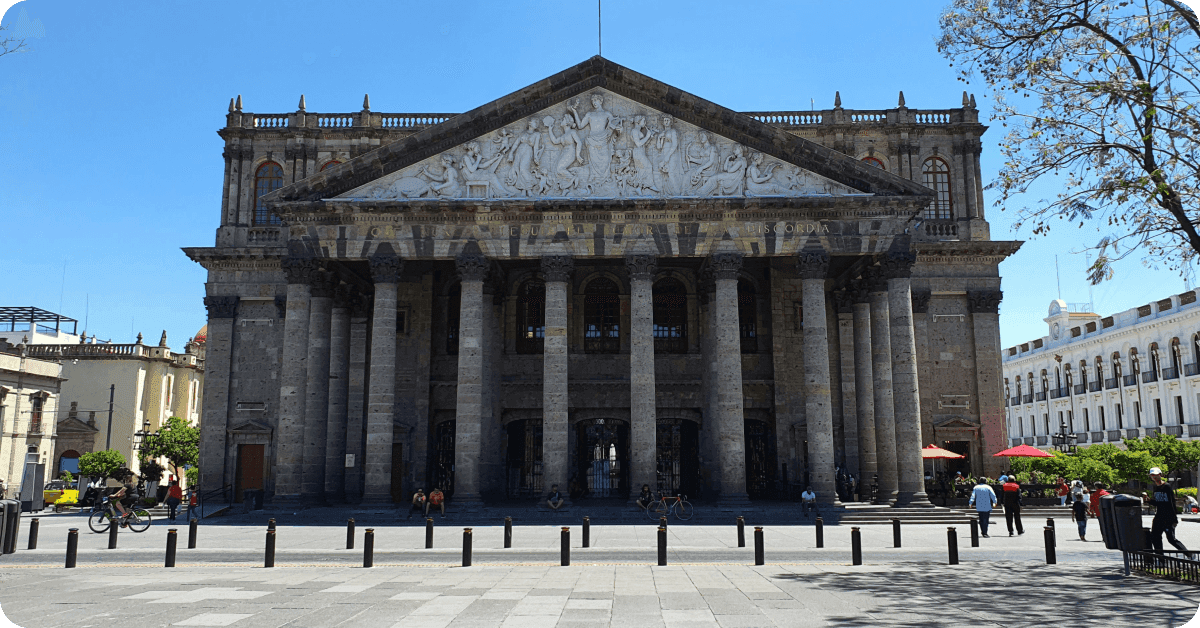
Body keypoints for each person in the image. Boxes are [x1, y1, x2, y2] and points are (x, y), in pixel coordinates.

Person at [1149, 468, 1191, 557]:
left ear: (1160, 475)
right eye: (1152, 475)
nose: (1154, 477)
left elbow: (1171, 502)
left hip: (1168, 517)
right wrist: (1149, 501)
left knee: (1171, 539)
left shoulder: (1167, 487)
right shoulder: (1155, 488)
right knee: (1155, 537)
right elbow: (1158, 503)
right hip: (1159, 517)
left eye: (1156, 475)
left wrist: (1174, 519)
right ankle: (1160, 559)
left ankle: (1189, 554)